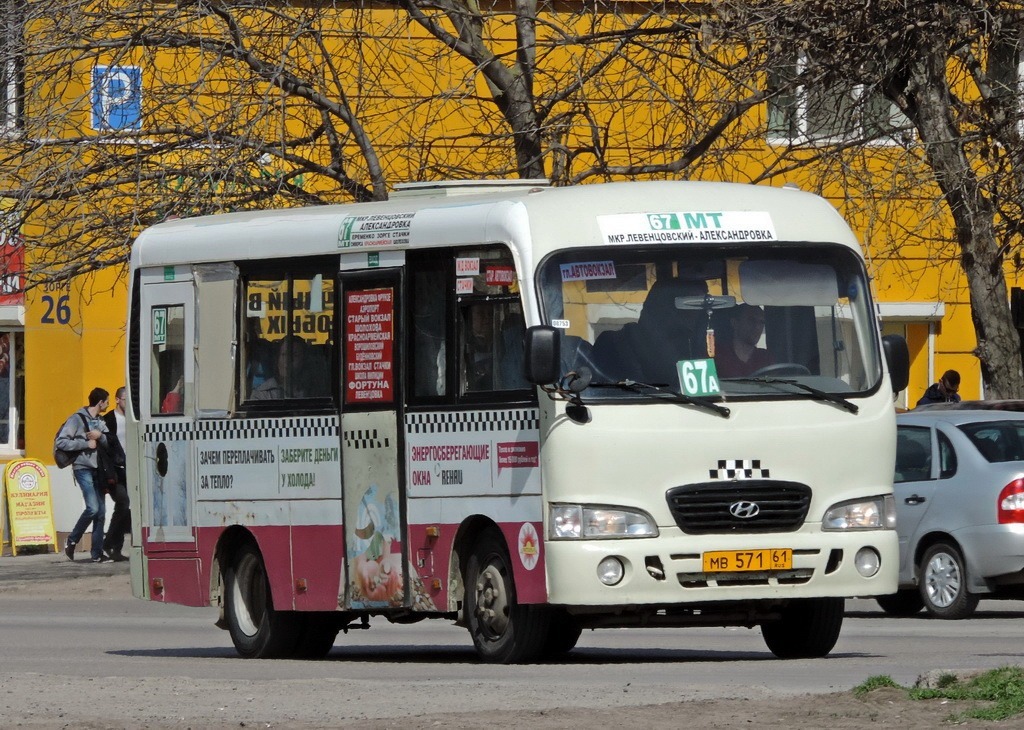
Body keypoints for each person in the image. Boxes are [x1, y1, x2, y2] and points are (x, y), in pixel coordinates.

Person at [592, 277, 707, 384]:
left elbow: (707, 392)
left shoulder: (699, 345)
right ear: (666, 309)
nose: (701, 314)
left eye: (702, 308)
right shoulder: (612, 345)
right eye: (692, 306)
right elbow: (600, 394)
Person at [55, 387, 111, 563]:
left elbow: (109, 442)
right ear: (100, 402)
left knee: (101, 512)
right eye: (106, 401)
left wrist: (100, 436)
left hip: (98, 469)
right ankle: (72, 540)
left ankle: (97, 554)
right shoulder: (76, 419)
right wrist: (85, 443)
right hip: (83, 468)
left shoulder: (100, 421)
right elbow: (61, 442)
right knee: (93, 508)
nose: (108, 404)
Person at [102, 386, 131, 562]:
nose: (129, 404)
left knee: (125, 508)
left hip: (131, 469)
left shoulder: (135, 419)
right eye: (126, 400)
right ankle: (108, 542)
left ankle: (116, 548)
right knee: (123, 502)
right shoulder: (108, 421)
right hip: (115, 471)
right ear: (118, 400)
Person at [716, 303, 773, 378]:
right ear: (735, 323)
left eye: (761, 322)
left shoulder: (765, 357)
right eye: (751, 320)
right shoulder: (716, 355)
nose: (757, 327)